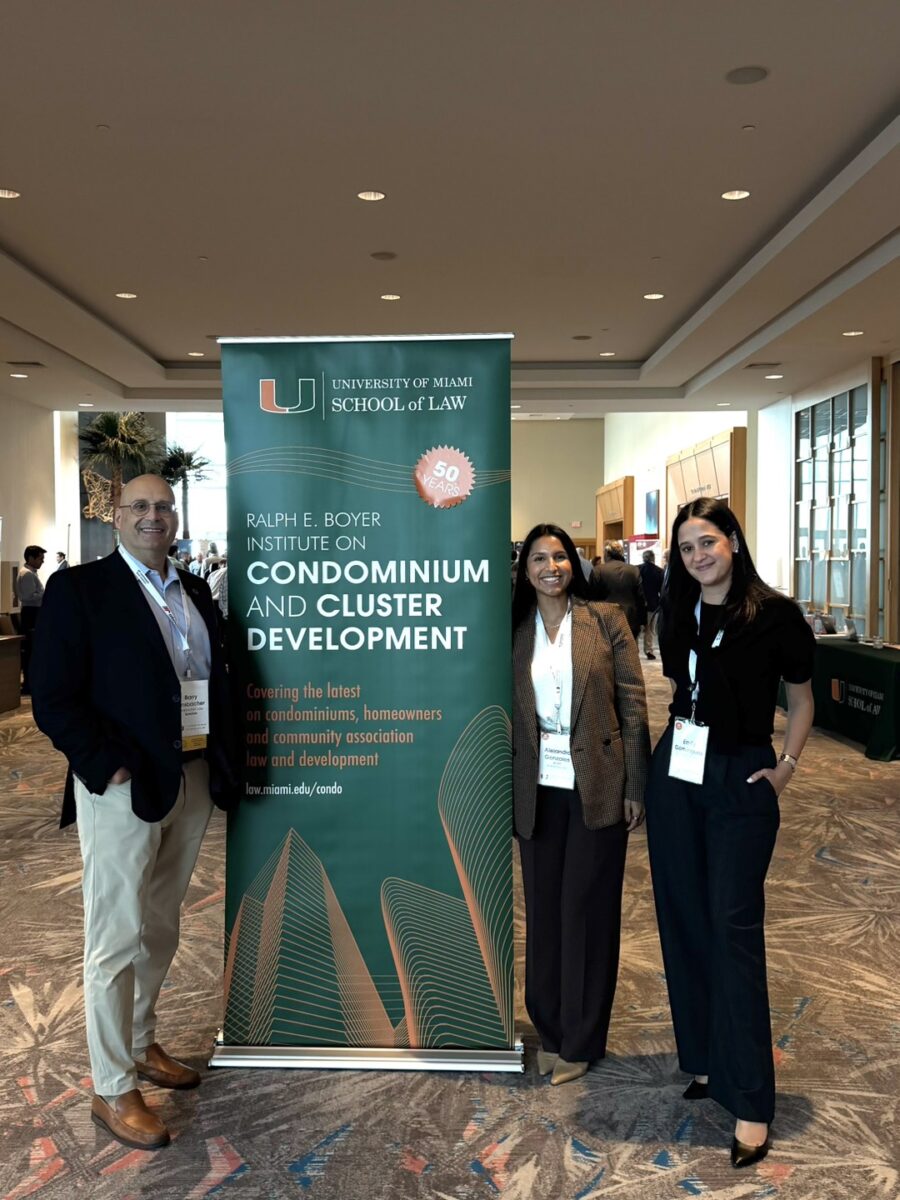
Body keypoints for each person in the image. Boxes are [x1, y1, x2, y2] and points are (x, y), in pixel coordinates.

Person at [30, 475, 239, 1152]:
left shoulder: (194, 590)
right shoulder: (80, 590)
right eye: (140, 507)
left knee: (161, 926)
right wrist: (105, 765)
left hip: (190, 777)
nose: (154, 516)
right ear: (116, 517)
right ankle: (112, 1086)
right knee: (116, 936)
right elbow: (52, 696)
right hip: (123, 787)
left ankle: (141, 1041)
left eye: (164, 507)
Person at [644, 498, 815, 1169]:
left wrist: (786, 768)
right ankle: (709, 1059)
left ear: (733, 543)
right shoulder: (676, 608)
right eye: (686, 548)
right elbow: (680, 688)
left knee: (733, 926)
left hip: (742, 774)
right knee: (683, 916)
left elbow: (801, 699)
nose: (698, 557)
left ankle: (750, 1101)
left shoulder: (775, 614)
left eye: (708, 542)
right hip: (677, 769)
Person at [512, 523, 650, 1086]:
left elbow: (633, 705)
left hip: (597, 783)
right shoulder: (514, 630)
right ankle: (550, 1029)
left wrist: (636, 785)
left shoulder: (606, 620)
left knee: (586, 912)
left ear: (575, 563)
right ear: (525, 571)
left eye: (560, 556)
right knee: (544, 911)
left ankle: (582, 1037)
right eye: (539, 558)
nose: (551, 566)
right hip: (535, 788)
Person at [591, 541, 647, 638]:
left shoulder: (598, 570)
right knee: (630, 647)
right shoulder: (634, 570)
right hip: (630, 620)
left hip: (605, 620)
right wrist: (643, 621)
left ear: (607, 554)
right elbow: (640, 597)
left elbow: (592, 596)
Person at [16, 545, 46, 693]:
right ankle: (28, 683)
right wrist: (44, 593)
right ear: (30, 558)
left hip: (32, 612)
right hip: (31, 613)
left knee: (32, 649)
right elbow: (28, 597)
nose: (42, 561)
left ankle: (30, 682)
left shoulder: (30, 573)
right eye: (40, 558)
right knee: (30, 650)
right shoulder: (27, 574)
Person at [638, 549, 664, 659]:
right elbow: (662, 590)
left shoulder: (637, 569)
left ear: (643, 558)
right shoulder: (659, 571)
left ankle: (634, 651)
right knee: (650, 629)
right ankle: (649, 650)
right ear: (653, 558)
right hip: (653, 604)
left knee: (636, 628)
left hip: (638, 604)